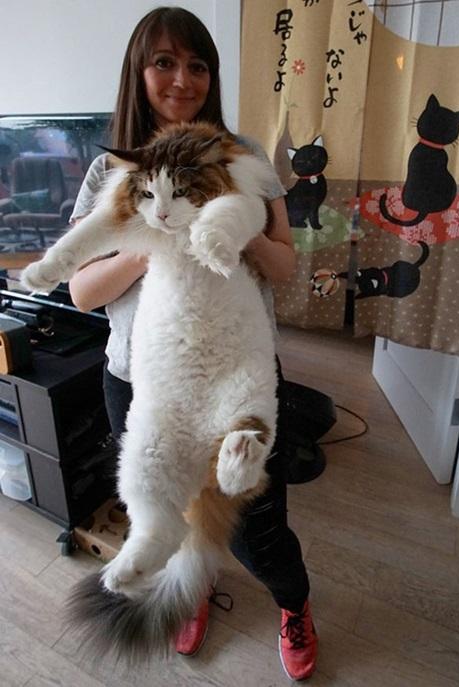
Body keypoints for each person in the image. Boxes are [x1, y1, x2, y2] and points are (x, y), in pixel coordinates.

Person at [68, 7, 317, 682]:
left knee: (259, 528)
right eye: (164, 63)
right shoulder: (111, 170)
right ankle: (192, 589)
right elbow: (82, 292)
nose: (182, 79)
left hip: (236, 370)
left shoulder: (245, 156)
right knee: (167, 505)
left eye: (197, 65)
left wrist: (239, 228)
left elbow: (285, 266)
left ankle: (293, 604)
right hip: (143, 378)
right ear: (138, 72)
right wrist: (154, 238)